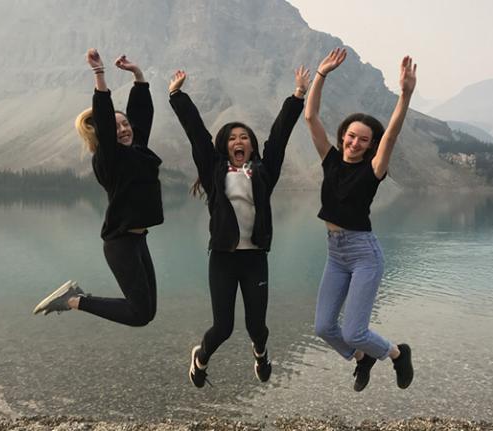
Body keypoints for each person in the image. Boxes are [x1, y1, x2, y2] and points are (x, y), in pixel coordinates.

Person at [168, 66, 309, 387]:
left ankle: (261, 353)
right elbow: (197, 134)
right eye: (232, 138)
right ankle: (200, 358)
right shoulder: (213, 171)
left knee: (256, 326)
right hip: (222, 258)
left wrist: (297, 95)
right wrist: (177, 96)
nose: (238, 140)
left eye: (244, 137)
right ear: (224, 146)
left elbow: (280, 136)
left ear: (252, 146)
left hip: (255, 258)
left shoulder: (264, 171)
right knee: (223, 327)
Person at [304, 47, 416, 391]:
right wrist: (321, 74)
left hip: (363, 253)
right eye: (351, 136)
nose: (355, 143)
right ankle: (361, 357)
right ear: (343, 137)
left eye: (363, 140)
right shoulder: (331, 159)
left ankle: (397, 353)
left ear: (371, 145)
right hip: (335, 253)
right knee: (324, 328)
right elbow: (310, 117)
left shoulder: (374, 169)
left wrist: (406, 94)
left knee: (354, 330)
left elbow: (393, 134)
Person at [32, 49, 162, 327]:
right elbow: (104, 118)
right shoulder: (108, 159)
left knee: (146, 313)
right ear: (104, 135)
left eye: (126, 124)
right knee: (139, 315)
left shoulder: (138, 151)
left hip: (138, 240)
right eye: (117, 128)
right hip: (121, 243)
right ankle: (72, 300)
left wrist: (138, 75)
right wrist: (99, 74)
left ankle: (75, 298)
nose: (125, 129)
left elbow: (143, 114)